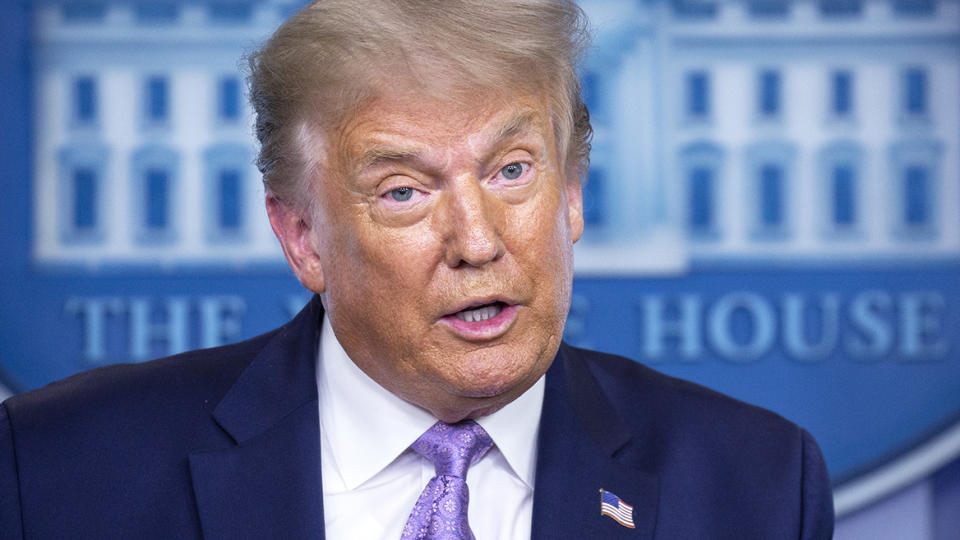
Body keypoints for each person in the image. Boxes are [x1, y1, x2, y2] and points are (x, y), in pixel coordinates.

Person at [0, 0, 834, 538]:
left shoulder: (756, 489)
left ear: (572, 195)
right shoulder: (57, 475)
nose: (476, 240)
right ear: (302, 240)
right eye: (403, 190)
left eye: (513, 170)